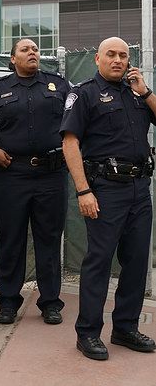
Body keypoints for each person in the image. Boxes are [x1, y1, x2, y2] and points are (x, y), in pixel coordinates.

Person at [60, 36, 156, 360]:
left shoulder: (137, 93)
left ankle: (125, 328)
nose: (117, 60)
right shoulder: (84, 94)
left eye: (123, 55)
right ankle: (88, 332)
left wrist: (146, 92)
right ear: (97, 59)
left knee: (137, 262)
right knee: (99, 262)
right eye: (111, 54)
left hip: (139, 189)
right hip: (105, 190)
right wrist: (83, 190)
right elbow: (70, 143)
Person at [0, 38, 70, 326]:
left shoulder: (59, 85)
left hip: (51, 175)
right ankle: (8, 302)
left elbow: (77, 121)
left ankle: (50, 303)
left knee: (49, 240)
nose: (32, 53)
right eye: (25, 50)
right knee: (11, 240)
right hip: (11, 174)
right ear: (13, 59)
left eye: (35, 49)